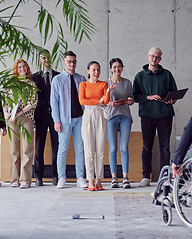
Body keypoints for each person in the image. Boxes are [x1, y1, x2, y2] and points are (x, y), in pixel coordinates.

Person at [133, 47, 178, 187]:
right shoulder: (139, 76)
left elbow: (174, 92)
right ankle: (145, 176)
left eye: (157, 57)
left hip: (165, 115)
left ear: (160, 59)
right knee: (147, 147)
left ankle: (164, 177)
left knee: (165, 148)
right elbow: (135, 96)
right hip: (147, 115)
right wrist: (148, 97)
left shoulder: (167, 74)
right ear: (147, 56)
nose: (154, 59)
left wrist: (173, 100)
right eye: (152, 56)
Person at [50, 51, 88, 189]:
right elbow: (54, 102)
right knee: (62, 149)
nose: (72, 64)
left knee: (80, 149)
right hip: (64, 120)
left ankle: (80, 177)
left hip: (80, 119)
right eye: (69, 61)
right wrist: (56, 120)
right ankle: (62, 177)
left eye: (74, 61)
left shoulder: (82, 78)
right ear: (64, 62)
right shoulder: (57, 80)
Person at [79, 61, 116, 191]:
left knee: (100, 150)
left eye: (98, 70)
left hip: (101, 114)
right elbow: (82, 100)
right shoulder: (83, 84)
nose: (96, 72)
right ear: (88, 71)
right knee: (88, 150)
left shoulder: (104, 84)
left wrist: (107, 93)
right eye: (94, 70)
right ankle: (90, 180)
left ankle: (98, 180)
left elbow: (106, 102)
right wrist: (98, 100)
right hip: (88, 114)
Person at [3, 59, 38, 189]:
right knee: (14, 150)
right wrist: (6, 113)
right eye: (19, 67)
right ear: (16, 69)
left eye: (24, 66)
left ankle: (25, 179)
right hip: (12, 120)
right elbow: (4, 101)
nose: (22, 69)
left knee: (27, 149)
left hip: (26, 119)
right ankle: (14, 179)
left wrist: (19, 113)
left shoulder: (31, 84)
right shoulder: (10, 84)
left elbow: (33, 103)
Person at [105, 58, 134, 189]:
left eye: (119, 67)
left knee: (124, 148)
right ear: (111, 68)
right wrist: (110, 103)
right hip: (111, 116)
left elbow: (131, 99)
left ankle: (125, 177)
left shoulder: (127, 83)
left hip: (125, 116)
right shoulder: (105, 83)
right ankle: (114, 178)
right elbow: (102, 101)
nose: (117, 69)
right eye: (115, 67)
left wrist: (129, 101)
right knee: (112, 148)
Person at [32, 50, 60, 186]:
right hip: (40, 116)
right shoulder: (34, 77)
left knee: (56, 147)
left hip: (55, 116)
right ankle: (38, 177)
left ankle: (56, 176)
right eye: (43, 58)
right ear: (40, 60)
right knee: (39, 147)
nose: (46, 60)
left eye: (48, 58)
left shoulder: (58, 76)